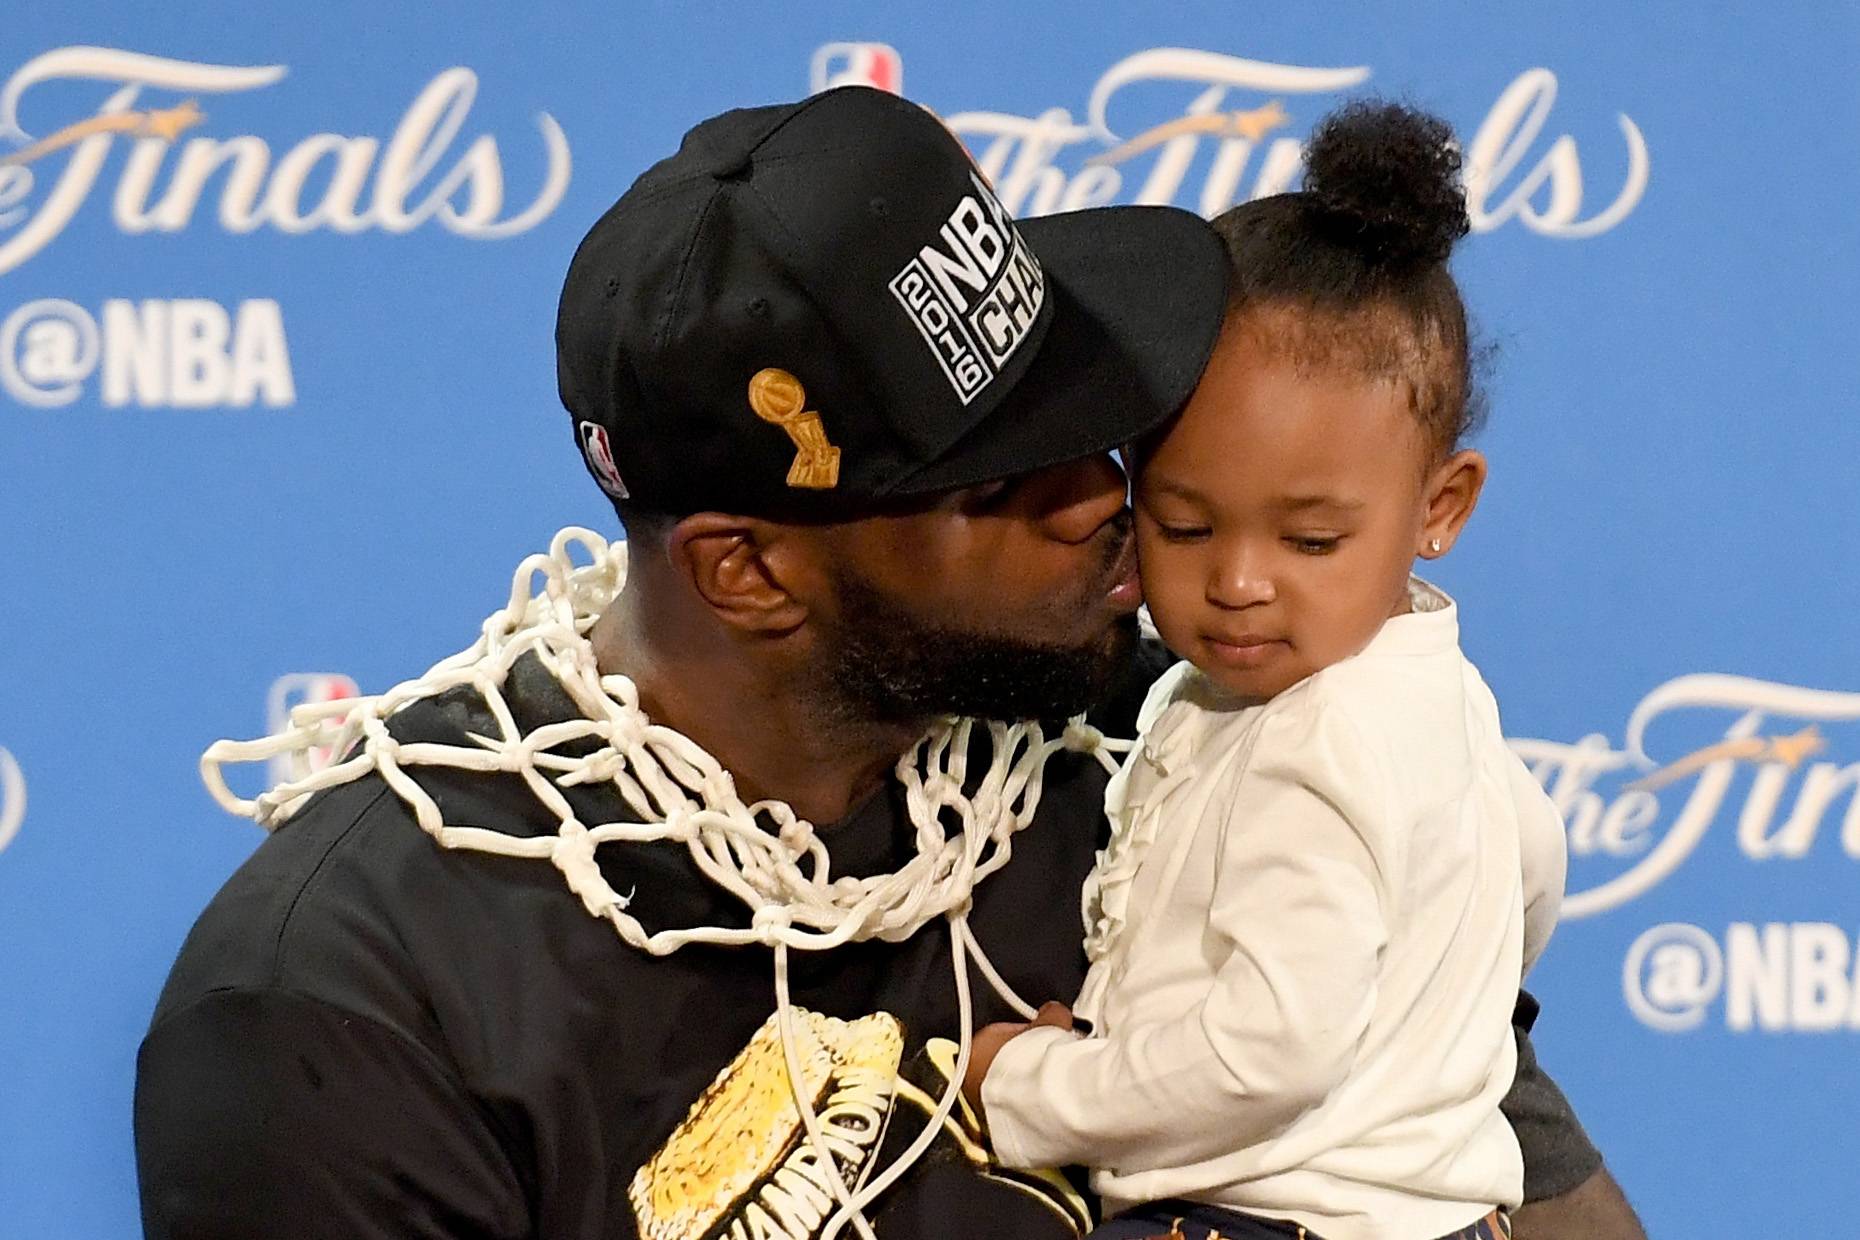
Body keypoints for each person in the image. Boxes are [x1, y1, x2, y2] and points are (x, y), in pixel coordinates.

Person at [135, 86, 1643, 1240]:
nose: (1099, 500)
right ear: (751, 569)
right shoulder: (342, 1012)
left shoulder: (1188, 723)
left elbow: (1486, 1157)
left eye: (1082, 413)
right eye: (997, 483)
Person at [965, 104, 1574, 1240]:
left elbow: (1266, 1055)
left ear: (1440, 506)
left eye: (1309, 542)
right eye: (1187, 527)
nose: (1240, 583)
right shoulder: (1433, 694)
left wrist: (1030, 1091)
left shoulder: (1320, 732)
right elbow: (1530, 863)